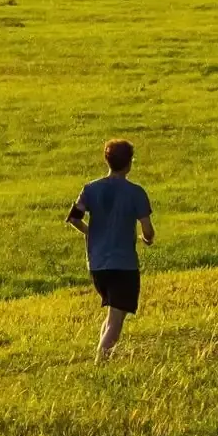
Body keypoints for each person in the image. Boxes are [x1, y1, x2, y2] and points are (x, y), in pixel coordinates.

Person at [66, 138, 155, 358]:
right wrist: (147, 239)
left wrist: (92, 233)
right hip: (123, 265)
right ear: (129, 163)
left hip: (97, 265)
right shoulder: (136, 193)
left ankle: (103, 356)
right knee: (117, 319)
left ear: (107, 161)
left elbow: (74, 218)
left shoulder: (90, 189)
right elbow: (148, 229)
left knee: (112, 315)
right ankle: (101, 360)